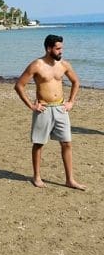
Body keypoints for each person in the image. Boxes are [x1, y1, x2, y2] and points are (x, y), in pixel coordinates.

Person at [14, 34, 84, 190]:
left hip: (60, 108)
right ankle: (37, 177)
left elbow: (76, 82)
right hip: (43, 109)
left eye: (61, 48)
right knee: (39, 144)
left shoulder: (64, 65)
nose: (61, 51)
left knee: (67, 143)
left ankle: (69, 179)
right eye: (58, 48)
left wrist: (71, 101)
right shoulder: (36, 65)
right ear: (49, 48)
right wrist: (31, 106)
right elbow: (19, 85)